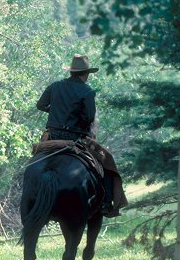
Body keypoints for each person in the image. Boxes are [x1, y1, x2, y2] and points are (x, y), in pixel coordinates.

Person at [36, 54, 127, 217]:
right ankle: (107, 203)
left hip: (52, 136)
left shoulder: (55, 85)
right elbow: (90, 118)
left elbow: (40, 105)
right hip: (75, 139)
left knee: (35, 158)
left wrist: (56, 111)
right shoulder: (87, 91)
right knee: (106, 160)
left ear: (71, 72)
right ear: (86, 73)